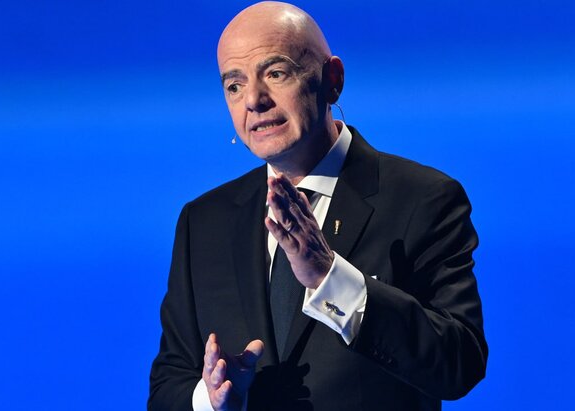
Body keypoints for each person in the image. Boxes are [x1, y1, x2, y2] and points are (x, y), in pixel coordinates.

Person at [148, 2, 487, 410]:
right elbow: (168, 385)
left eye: (276, 73)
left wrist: (330, 277)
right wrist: (212, 397)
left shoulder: (423, 198)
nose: (254, 99)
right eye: (234, 85)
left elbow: (459, 362)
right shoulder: (204, 222)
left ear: (332, 81)